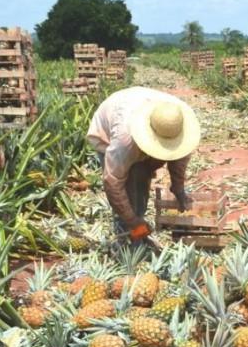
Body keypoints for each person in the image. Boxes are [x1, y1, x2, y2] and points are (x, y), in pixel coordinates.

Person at [86, 87, 201, 243]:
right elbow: (112, 182)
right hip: (111, 122)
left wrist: (178, 187)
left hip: (139, 106)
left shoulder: (175, 121)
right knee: (130, 185)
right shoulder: (124, 141)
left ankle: (137, 225)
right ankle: (127, 235)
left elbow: (179, 158)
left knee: (142, 176)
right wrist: (132, 220)